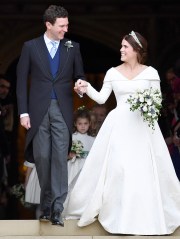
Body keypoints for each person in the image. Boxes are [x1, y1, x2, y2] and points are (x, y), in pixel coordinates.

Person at [63, 31, 180, 235]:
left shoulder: (151, 72)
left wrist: (148, 105)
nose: (121, 50)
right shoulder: (112, 72)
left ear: (137, 50)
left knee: (143, 169)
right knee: (120, 168)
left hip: (143, 128)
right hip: (118, 126)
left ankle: (144, 218)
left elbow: (158, 101)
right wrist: (87, 87)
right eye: (121, 46)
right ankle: (119, 217)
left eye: (125, 46)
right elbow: (101, 99)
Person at [16, 5, 85, 226]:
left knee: (59, 159)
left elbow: (79, 74)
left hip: (62, 110)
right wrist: (23, 112)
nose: (66, 29)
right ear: (49, 25)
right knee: (43, 157)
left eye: (67, 24)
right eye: (62, 25)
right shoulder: (30, 47)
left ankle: (56, 209)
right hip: (37, 111)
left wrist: (80, 84)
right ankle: (45, 204)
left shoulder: (72, 47)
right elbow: (20, 80)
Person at [67, 107, 95, 187]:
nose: (83, 126)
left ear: (89, 123)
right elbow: (66, 153)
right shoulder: (72, 137)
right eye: (80, 124)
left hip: (87, 166)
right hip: (74, 166)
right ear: (75, 124)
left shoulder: (93, 138)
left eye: (85, 123)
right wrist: (70, 155)